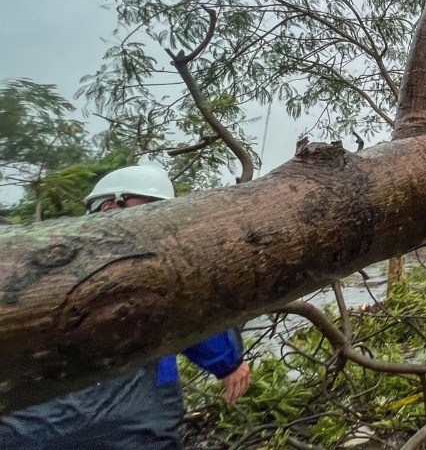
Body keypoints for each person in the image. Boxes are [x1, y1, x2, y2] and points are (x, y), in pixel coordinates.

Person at [0, 166, 252, 450]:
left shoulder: (41, 258)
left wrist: (227, 362)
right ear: (110, 207)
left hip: (34, 426)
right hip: (131, 423)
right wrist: (229, 362)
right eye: (151, 210)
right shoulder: (146, 262)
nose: (162, 223)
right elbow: (194, 308)